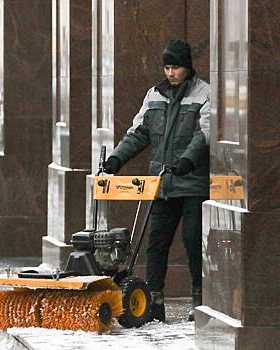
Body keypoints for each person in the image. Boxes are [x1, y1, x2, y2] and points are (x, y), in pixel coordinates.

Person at [104, 39, 210, 322]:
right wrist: (116, 159)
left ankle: (200, 300)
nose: (171, 72)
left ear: (187, 67)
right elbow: (138, 132)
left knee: (193, 241)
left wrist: (188, 160)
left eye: (176, 67)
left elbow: (204, 134)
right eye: (167, 67)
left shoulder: (204, 94)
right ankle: (154, 301)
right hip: (162, 184)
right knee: (156, 243)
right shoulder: (154, 95)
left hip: (192, 184)